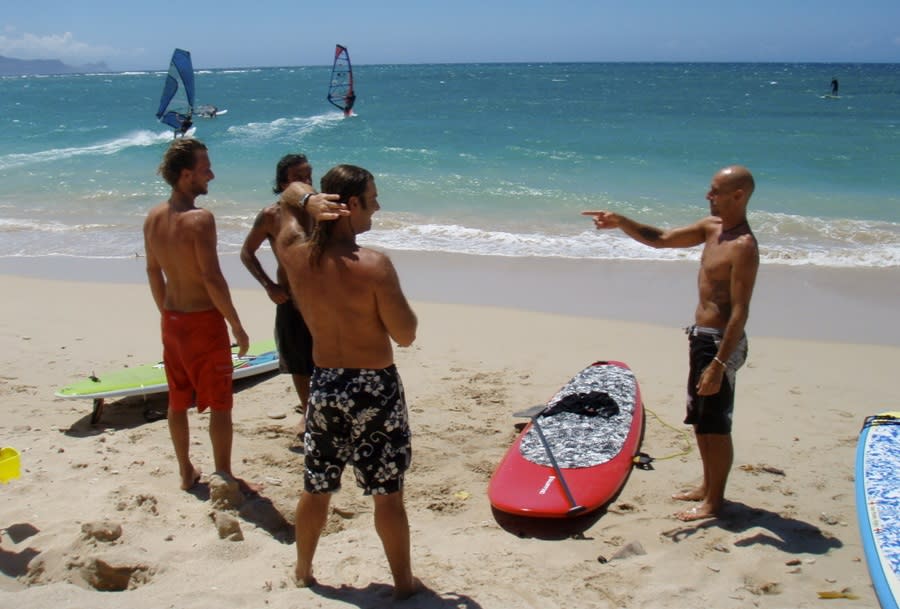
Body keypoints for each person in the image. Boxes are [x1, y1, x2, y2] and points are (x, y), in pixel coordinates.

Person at [276, 164, 422, 599]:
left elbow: (287, 198)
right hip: (373, 388)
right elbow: (407, 334)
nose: (378, 204)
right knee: (387, 495)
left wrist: (305, 200)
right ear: (352, 204)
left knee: (316, 487)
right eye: (372, 196)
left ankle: (302, 571)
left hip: (325, 386)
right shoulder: (374, 265)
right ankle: (403, 585)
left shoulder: (296, 255)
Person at [583, 165, 759, 522]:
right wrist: (622, 222)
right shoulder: (712, 229)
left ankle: (715, 501)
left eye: (714, 191)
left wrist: (719, 364)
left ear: (737, 196)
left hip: (721, 345)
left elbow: (739, 312)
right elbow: (662, 238)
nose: (708, 196)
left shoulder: (744, 246)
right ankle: (707, 486)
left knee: (716, 425)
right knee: (699, 420)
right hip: (702, 339)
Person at [143, 138, 250, 492]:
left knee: (177, 398)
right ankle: (222, 473)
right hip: (204, 322)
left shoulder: (153, 218)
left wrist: (165, 313)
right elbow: (211, 277)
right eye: (206, 169)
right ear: (187, 175)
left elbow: (153, 271)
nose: (212, 175)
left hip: (171, 321)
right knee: (220, 401)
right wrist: (236, 324)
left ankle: (185, 470)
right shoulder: (200, 220)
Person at [241, 154, 316, 428]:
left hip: (322, 298)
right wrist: (268, 286)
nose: (307, 182)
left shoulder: (320, 209)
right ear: (283, 182)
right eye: (299, 177)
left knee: (327, 357)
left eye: (309, 175)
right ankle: (308, 412)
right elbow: (247, 253)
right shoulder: (271, 215)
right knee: (298, 361)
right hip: (290, 297)